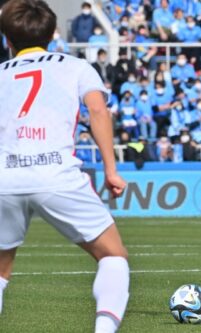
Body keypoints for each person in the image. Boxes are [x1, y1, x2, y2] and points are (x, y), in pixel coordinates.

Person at [0, 1, 129, 333]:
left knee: (0, 271)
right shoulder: (76, 66)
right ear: (52, 34)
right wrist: (111, 170)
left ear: (7, 40)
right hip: (56, 173)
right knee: (113, 256)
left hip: (5, 178)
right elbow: (98, 111)